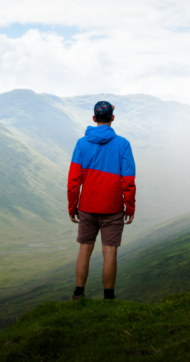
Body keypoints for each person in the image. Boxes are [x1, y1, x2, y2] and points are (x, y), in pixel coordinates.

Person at [68, 100, 136, 301]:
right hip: (113, 208)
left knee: (84, 249)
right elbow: (128, 180)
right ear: (112, 119)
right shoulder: (123, 144)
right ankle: (108, 298)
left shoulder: (81, 144)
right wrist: (129, 207)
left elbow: (73, 181)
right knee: (110, 253)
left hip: (87, 207)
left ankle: (78, 294)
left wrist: (73, 206)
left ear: (93, 118)